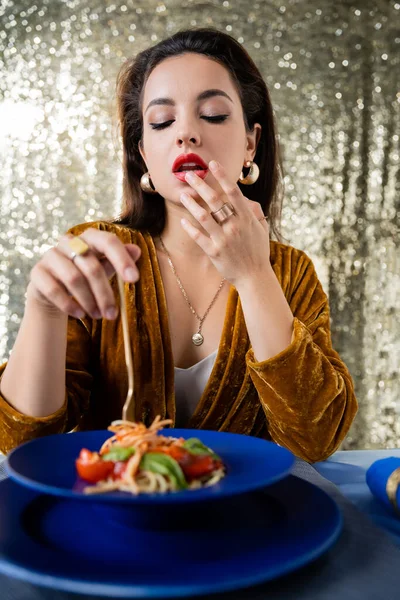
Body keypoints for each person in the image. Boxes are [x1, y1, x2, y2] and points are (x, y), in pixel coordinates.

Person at [0, 28, 357, 461]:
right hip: (116, 519)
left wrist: (253, 274)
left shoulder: (291, 272)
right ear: (145, 154)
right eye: (162, 122)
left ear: (251, 144)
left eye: (212, 114)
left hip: (245, 524)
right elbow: (19, 445)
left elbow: (316, 439)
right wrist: (44, 308)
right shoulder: (93, 256)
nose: (185, 132)